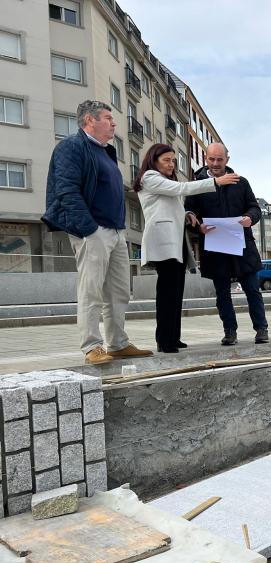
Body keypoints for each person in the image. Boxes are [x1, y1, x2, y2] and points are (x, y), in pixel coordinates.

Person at [42, 100, 152, 365]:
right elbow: (66, 190)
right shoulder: (71, 146)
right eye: (107, 118)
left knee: (119, 292)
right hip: (93, 231)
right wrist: (88, 229)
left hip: (116, 231)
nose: (114, 123)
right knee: (91, 290)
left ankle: (118, 343)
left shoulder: (106, 152)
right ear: (90, 120)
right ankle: (91, 346)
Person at [133, 144, 239, 353]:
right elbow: (182, 189)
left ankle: (173, 337)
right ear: (153, 160)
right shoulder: (150, 177)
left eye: (173, 160)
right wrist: (215, 182)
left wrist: (187, 214)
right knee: (167, 292)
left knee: (176, 290)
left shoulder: (163, 181)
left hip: (176, 240)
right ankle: (164, 340)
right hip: (163, 241)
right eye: (167, 160)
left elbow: (169, 208)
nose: (171, 164)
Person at [185, 143, 268, 346]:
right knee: (222, 293)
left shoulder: (241, 182)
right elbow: (189, 214)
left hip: (242, 246)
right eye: (211, 159)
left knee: (252, 290)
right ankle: (230, 332)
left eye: (219, 159)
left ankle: (261, 329)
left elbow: (254, 208)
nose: (215, 163)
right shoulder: (197, 185)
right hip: (215, 248)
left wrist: (250, 218)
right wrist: (198, 227)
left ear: (227, 160)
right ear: (205, 158)